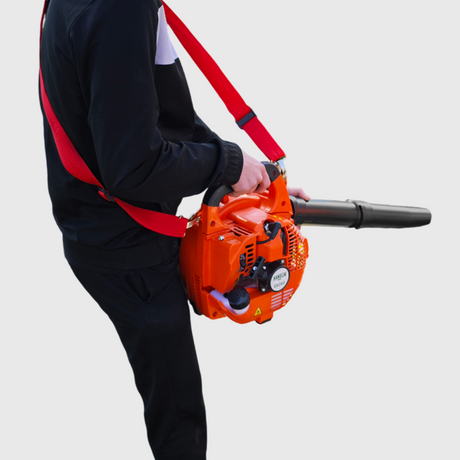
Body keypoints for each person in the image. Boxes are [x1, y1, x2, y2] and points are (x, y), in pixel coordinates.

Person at [40, 0, 309, 458]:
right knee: (179, 416)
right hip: (128, 248)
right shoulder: (121, 10)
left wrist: (257, 180)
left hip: (98, 226)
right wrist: (227, 162)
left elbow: (160, 117)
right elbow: (134, 165)